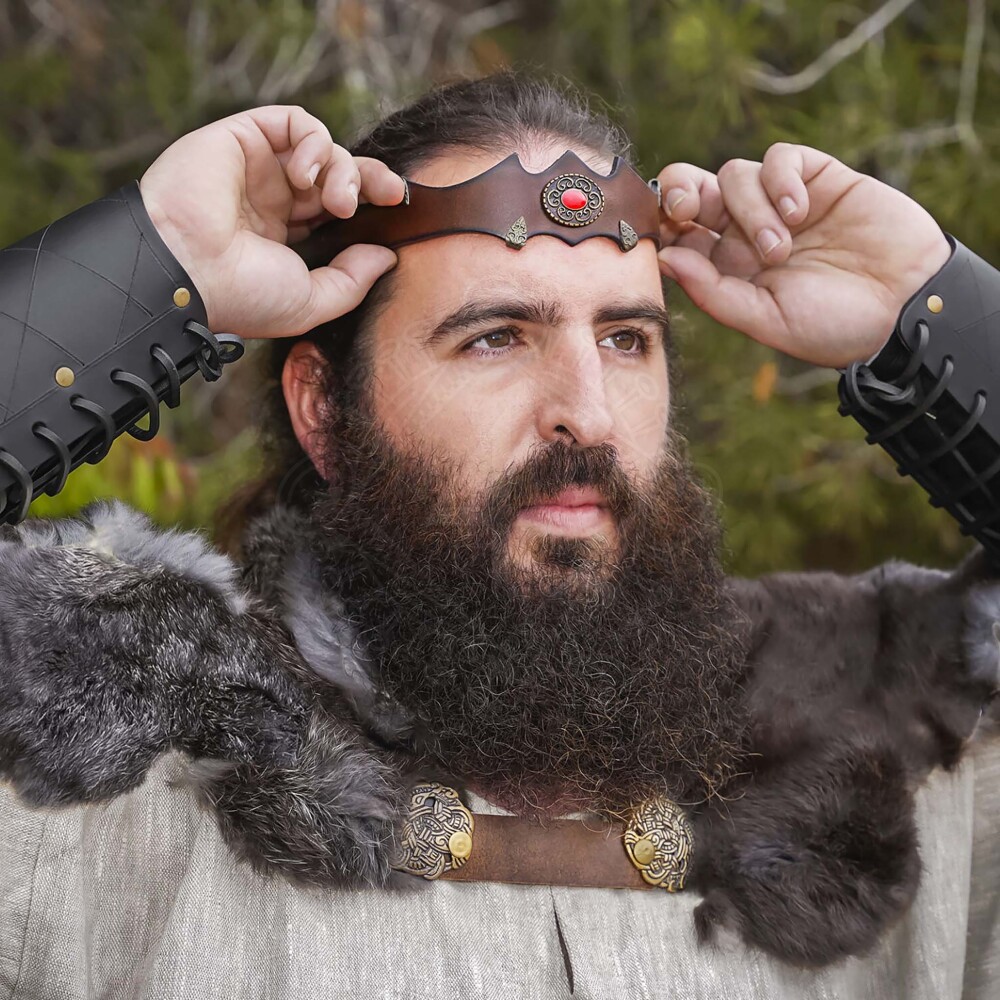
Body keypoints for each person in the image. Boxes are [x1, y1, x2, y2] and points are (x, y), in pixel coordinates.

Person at [0, 73, 998, 999]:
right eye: (495, 337)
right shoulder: (121, 754)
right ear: (324, 412)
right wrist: (151, 261)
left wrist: (924, 305)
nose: (588, 414)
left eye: (625, 339)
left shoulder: (858, 747)